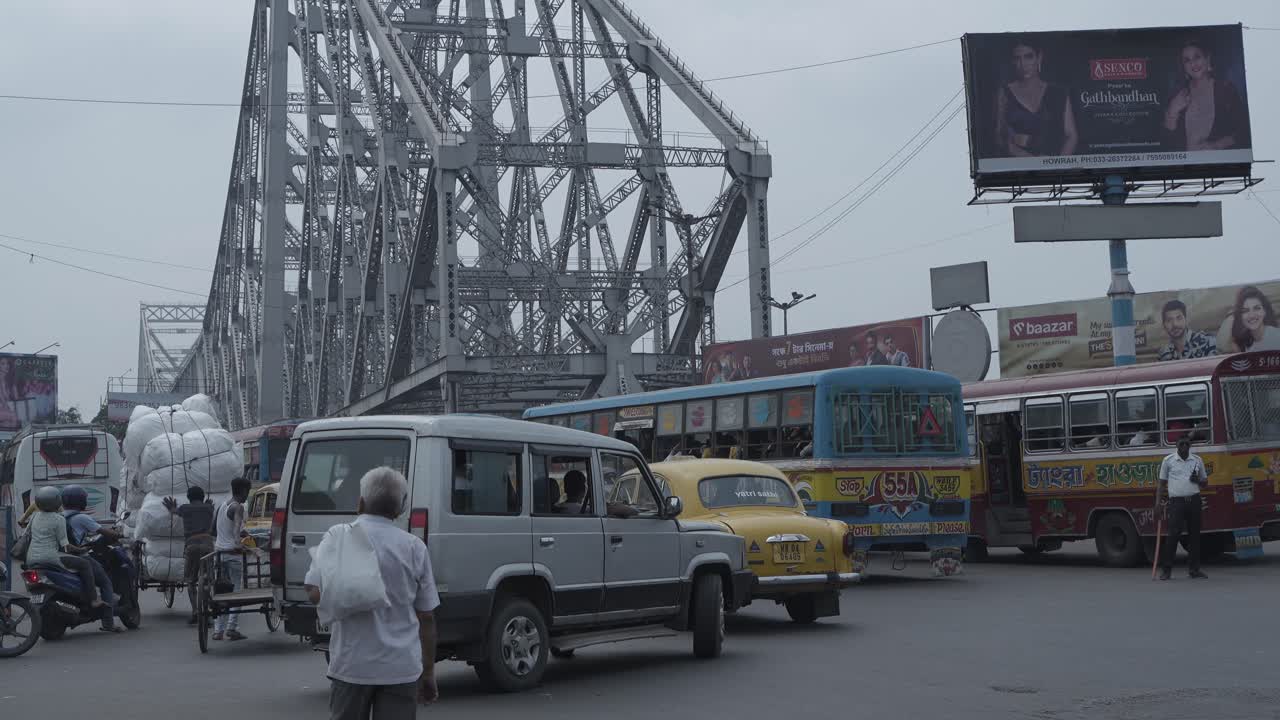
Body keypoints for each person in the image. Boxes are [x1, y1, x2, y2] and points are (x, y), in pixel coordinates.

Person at [305, 467, 439, 718]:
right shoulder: (414, 548)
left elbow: (314, 593)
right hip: (401, 668)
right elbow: (427, 617)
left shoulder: (337, 538)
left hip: (351, 666)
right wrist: (429, 672)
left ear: (360, 502)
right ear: (400, 509)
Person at [23, 487, 105, 613]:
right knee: (85, 564)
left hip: (31, 559)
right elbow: (66, 546)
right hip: (51, 558)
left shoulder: (34, 516)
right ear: (57, 501)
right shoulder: (59, 519)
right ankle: (94, 599)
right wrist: (80, 549)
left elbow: (26, 536)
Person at [993, 38, 1078, 157]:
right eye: (1017, 58)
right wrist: (1032, 162)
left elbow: (1071, 135)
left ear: (1039, 57)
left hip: (1056, 167)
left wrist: (1056, 165)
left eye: (1028, 57)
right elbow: (1000, 137)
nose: (1023, 64)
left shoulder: (1058, 93)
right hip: (1020, 167)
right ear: (1012, 61)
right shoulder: (1004, 92)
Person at [1163, 39, 1249, 152]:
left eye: (1197, 57)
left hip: (1216, 164)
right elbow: (1167, 140)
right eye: (1187, 60)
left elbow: (1243, 131)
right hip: (1184, 166)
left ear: (1207, 59)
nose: (1193, 64)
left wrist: (1216, 145)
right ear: (1183, 66)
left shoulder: (1225, 89)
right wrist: (1172, 110)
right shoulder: (1179, 92)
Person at [62, 485, 123, 633]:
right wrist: (117, 534)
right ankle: (108, 622)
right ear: (82, 501)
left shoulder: (60, 516)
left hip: (62, 557)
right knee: (105, 583)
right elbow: (103, 532)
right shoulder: (82, 517)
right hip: (79, 556)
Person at [1157, 437, 1210, 581]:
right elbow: (1161, 484)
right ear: (1176, 445)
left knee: (1194, 536)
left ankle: (1194, 570)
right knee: (1173, 535)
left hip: (1194, 500)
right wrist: (1158, 504)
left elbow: (1205, 483)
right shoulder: (1168, 461)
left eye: (1187, 444)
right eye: (1182, 444)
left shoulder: (1197, 460)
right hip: (1176, 502)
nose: (1185, 446)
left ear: (1190, 445)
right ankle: (1166, 570)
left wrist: (1197, 481)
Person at [163, 486, 217, 625]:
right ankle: (208, 607)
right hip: (207, 545)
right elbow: (210, 510)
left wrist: (172, 507)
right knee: (207, 579)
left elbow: (174, 511)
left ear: (188, 497)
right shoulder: (209, 508)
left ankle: (195, 611)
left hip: (192, 545)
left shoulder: (185, 508)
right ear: (202, 496)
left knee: (191, 581)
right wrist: (207, 505)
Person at [212, 476, 252, 641]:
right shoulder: (238, 507)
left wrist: (241, 534)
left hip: (219, 553)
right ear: (243, 491)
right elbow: (235, 530)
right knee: (236, 592)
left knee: (221, 592)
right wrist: (239, 543)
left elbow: (217, 531)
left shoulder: (222, 506)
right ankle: (231, 628)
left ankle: (218, 631)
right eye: (247, 492)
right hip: (232, 555)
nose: (247, 495)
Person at [1230, 285, 1280, 352]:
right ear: (1240, 316)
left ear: (1265, 311)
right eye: (1245, 311)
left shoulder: (1277, 336)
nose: (1252, 315)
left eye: (1257, 308)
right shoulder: (1242, 343)